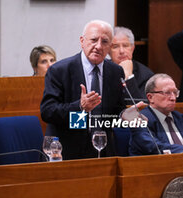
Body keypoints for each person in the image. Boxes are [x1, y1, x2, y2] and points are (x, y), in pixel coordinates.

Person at [40, 20, 126, 160]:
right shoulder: (60, 70)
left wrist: (127, 115)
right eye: (93, 40)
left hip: (102, 151)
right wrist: (80, 107)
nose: (98, 46)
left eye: (104, 42)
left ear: (110, 46)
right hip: (65, 152)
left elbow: (115, 112)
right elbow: (47, 111)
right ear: (82, 41)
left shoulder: (115, 72)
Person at [109, 26, 154, 101]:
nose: (121, 51)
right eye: (115, 46)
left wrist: (129, 77)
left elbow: (140, 108)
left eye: (125, 46)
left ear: (132, 48)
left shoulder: (147, 76)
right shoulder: (102, 69)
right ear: (108, 51)